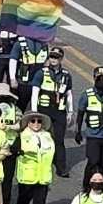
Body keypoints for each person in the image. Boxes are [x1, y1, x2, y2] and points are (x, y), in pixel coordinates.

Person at [28, 46, 73, 177]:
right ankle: (39, 163)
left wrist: (70, 111)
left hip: (59, 111)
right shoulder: (41, 73)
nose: (53, 60)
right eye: (51, 57)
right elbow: (35, 92)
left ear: (61, 59)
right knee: (42, 137)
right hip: (44, 110)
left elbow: (69, 93)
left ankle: (61, 167)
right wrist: (34, 111)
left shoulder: (66, 75)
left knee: (59, 140)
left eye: (56, 57)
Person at [15, 111, 54, 204]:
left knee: (40, 201)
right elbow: (14, 149)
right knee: (24, 198)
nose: (36, 123)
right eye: (33, 121)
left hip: (43, 174)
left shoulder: (48, 136)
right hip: (28, 173)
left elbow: (53, 152)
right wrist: (20, 152)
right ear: (28, 123)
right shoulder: (21, 136)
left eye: (39, 121)